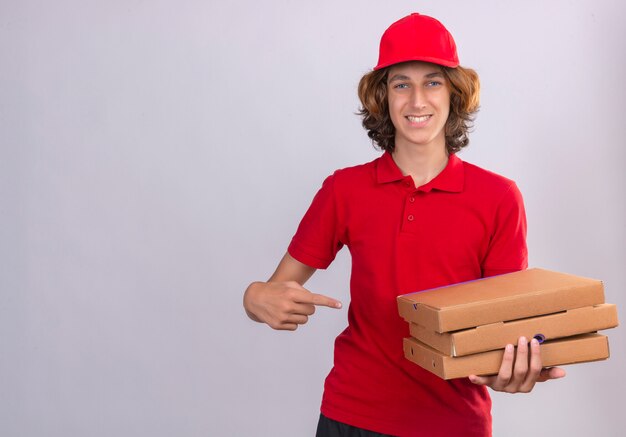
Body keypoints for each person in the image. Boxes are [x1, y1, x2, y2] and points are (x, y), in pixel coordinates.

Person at [243, 12, 566, 437]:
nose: (417, 100)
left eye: (432, 82)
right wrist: (254, 298)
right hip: (350, 417)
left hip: (454, 425)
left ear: (455, 93)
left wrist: (514, 368)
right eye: (402, 84)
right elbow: (274, 288)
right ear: (383, 96)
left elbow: (504, 330)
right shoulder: (345, 189)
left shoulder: (499, 198)